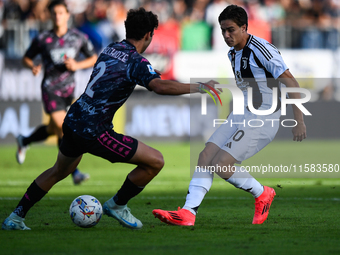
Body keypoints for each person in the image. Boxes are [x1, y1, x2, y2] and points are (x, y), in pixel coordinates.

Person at [2, 7, 218, 231]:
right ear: (148, 35)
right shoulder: (137, 62)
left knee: (58, 170)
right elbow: (159, 86)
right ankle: (117, 204)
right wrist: (199, 87)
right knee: (156, 161)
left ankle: (15, 217)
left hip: (74, 118)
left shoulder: (111, 48)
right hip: (94, 130)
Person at [152, 5, 307, 226]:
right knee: (205, 156)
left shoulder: (262, 50)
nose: (226, 35)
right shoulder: (232, 52)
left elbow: (290, 82)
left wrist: (298, 119)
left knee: (222, 164)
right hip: (242, 113)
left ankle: (263, 193)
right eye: (223, 30)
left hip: (264, 118)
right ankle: (188, 213)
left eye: (231, 30)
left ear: (244, 27)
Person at [17, 0, 97, 185]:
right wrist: (34, 66)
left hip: (69, 91)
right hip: (50, 89)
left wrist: (77, 65)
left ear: (68, 15)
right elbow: (26, 59)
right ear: (50, 16)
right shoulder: (43, 38)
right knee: (63, 127)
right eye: (54, 13)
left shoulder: (78, 37)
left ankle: (25, 140)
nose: (57, 17)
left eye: (61, 13)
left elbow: (93, 58)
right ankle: (74, 172)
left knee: (54, 129)